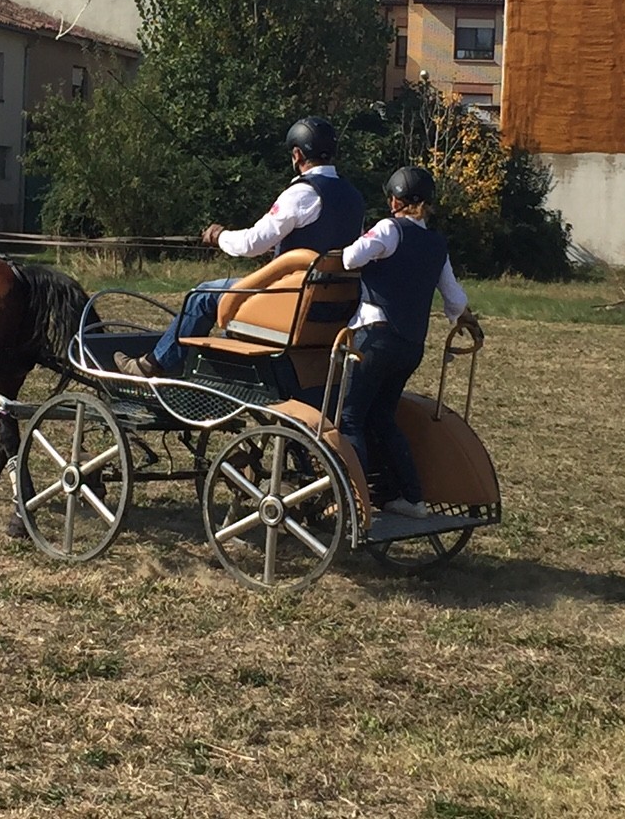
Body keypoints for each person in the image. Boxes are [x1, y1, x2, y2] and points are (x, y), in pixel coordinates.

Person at [115, 117, 366, 378]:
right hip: (334, 309)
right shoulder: (354, 198)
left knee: (201, 295)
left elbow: (252, 243)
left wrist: (220, 236)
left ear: (297, 154)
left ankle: (153, 365)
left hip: (290, 301)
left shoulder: (302, 193)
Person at [338, 166, 480, 519]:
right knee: (383, 417)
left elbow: (349, 258)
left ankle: (356, 501)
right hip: (410, 346)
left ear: (394, 200)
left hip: (374, 338)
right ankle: (411, 497)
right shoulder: (436, 244)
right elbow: (456, 300)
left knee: (350, 418)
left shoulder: (389, 229)